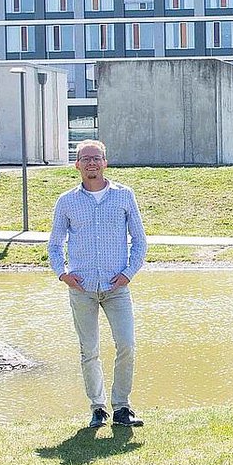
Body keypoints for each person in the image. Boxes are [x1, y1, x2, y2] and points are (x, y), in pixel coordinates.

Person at [48, 140, 148, 429]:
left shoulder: (124, 196)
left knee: (126, 344)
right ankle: (97, 408)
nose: (91, 163)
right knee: (88, 350)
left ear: (105, 162)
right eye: (85, 159)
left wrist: (128, 273)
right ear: (76, 164)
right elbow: (54, 244)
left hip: (117, 287)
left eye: (96, 158)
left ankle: (122, 407)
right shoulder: (66, 201)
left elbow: (140, 240)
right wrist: (62, 273)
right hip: (82, 289)